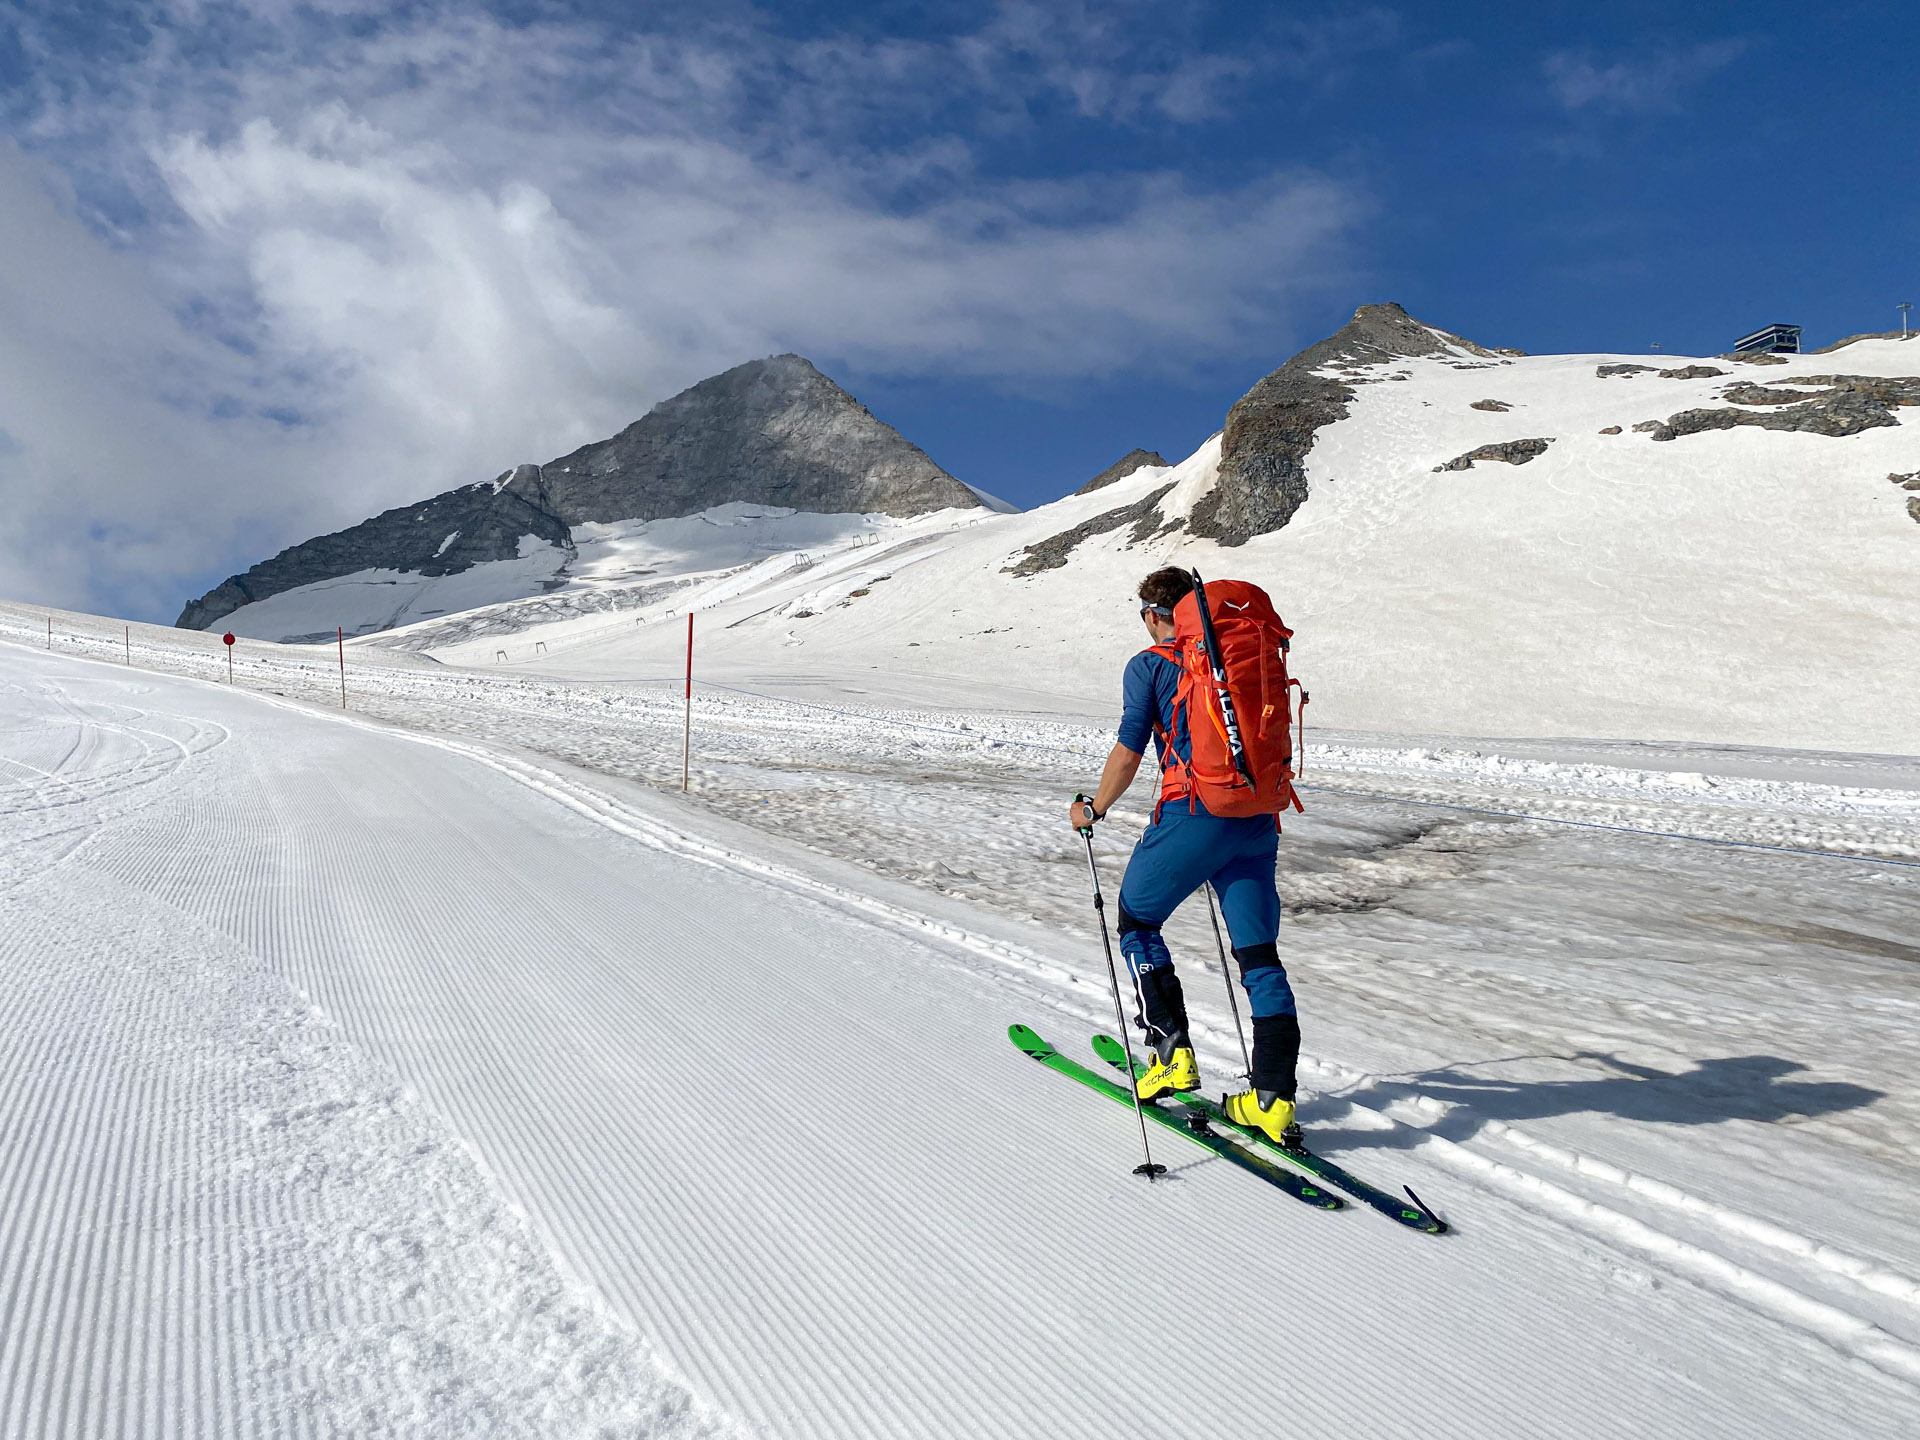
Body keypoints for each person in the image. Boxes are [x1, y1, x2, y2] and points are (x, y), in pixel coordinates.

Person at [1067, 566, 1302, 1145]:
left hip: (1194, 814)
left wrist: (1093, 808)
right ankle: (1272, 1099)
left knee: (1138, 920)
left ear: (1154, 614)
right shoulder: (1239, 660)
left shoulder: (1149, 664)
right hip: (1257, 819)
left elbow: (1129, 749)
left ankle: (1171, 1054)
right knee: (1258, 954)